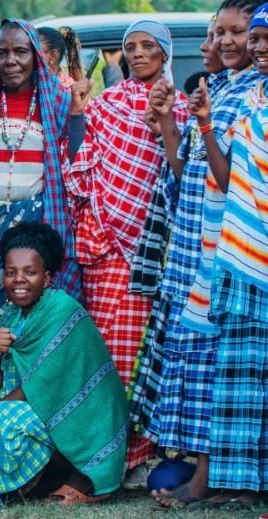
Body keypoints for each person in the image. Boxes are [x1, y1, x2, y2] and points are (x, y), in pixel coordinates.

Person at [132, 6, 259, 507]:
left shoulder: (255, 93)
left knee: (219, 362)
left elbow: (234, 181)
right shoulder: (222, 87)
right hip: (195, 243)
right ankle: (209, 474)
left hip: (230, 245)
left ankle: (209, 479)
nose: (224, 41)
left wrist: (202, 126)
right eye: (217, 32)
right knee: (201, 358)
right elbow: (186, 173)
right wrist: (170, 120)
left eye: (236, 32)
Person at [66, 20, 187, 473]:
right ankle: (99, 454)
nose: (137, 53)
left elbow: (184, 174)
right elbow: (81, 163)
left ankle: (135, 456)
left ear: (165, 53)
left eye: (147, 46)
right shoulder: (106, 104)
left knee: (137, 356)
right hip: (104, 246)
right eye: (130, 47)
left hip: (152, 248)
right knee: (101, 355)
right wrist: (78, 113)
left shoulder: (179, 107)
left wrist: (163, 125)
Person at [171, 1, 268, 509]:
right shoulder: (247, 93)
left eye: (244, 33)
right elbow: (216, 174)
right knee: (237, 375)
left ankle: (233, 483)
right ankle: (233, 482)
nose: (245, 44)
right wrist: (200, 124)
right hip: (229, 246)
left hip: (252, 247)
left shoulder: (252, 95)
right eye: (256, 38)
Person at [0, 222, 128, 504]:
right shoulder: (10, 316)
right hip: (40, 405)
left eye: (30, 272)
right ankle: (37, 477)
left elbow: (40, 385)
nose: (19, 280)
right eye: (11, 273)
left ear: (47, 277)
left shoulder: (62, 310)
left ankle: (78, 475)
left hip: (85, 417)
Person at [0, 19, 83, 313]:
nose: (11, 61)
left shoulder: (58, 103)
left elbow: (75, 167)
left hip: (34, 227)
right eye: (2, 52)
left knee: (29, 313)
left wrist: (77, 115)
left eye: (20, 51)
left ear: (35, 55)